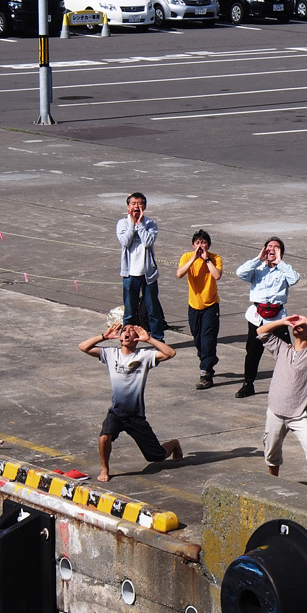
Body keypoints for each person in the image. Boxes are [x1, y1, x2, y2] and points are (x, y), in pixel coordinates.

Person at [78, 322, 182, 483]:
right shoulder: (111, 353)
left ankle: (174, 444)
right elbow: (83, 347)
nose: (127, 332)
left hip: (135, 416)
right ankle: (105, 468)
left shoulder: (144, 356)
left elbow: (171, 353)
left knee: (156, 457)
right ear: (120, 337)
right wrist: (104, 336)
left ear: (137, 338)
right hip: (117, 412)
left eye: (131, 331)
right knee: (104, 436)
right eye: (124, 330)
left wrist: (149, 339)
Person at [256, 314, 307, 492]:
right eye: (295, 326)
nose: (297, 327)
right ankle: (274, 482)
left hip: (301, 415)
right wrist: (283, 322)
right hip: (275, 411)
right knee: (271, 452)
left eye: (302, 327)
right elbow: (261, 331)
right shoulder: (282, 348)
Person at [235, 237, 300, 398]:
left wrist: (280, 262)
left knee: (286, 353)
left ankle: (290, 385)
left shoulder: (284, 270)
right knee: (252, 352)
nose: (272, 249)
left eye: (276, 247)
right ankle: (248, 384)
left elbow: (295, 279)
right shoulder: (257, 269)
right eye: (269, 246)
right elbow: (240, 272)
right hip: (257, 317)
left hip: (277, 317)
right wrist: (259, 258)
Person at [176, 229, 222, 390]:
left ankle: (206, 373)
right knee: (198, 338)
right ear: (193, 245)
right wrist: (194, 258)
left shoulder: (215, 258)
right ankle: (207, 358)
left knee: (207, 338)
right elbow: (179, 274)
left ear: (208, 245)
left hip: (211, 305)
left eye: (203, 242)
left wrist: (206, 259)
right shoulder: (187, 257)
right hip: (194, 305)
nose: (200, 245)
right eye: (197, 243)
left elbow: (217, 275)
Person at [116, 192, 166, 341]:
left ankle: (157, 339)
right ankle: (128, 338)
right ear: (128, 207)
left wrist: (141, 224)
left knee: (153, 309)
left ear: (144, 206)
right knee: (129, 311)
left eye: (139, 204)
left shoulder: (151, 224)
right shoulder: (122, 223)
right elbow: (125, 241)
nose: (136, 206)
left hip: (147, 274)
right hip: (130, 275)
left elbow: (148, 241)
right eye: (133, 204)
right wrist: (132, 224)